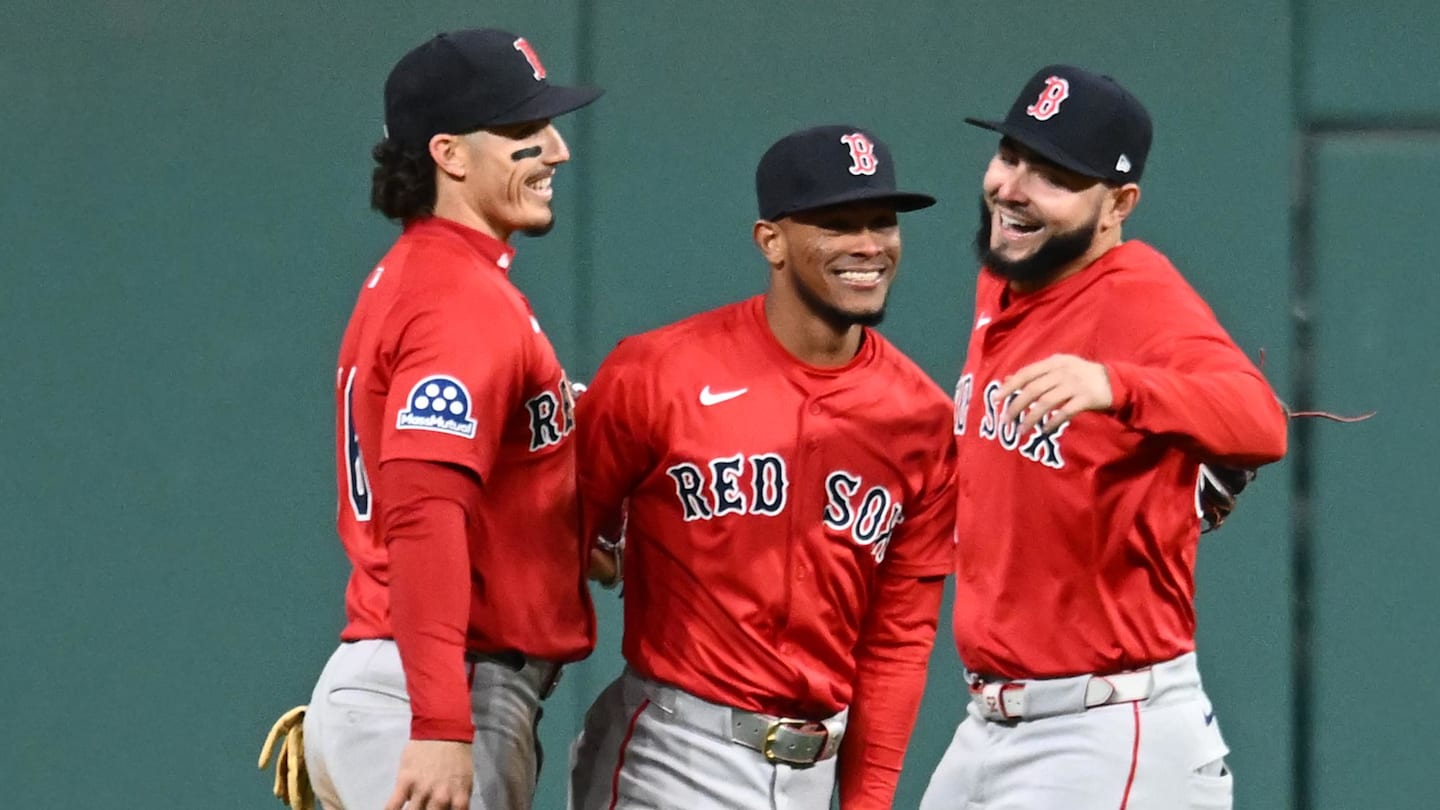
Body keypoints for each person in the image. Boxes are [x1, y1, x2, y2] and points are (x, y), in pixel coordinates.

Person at [919, 65, 1289, 810]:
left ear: (1118, 205)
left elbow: (1261, 421)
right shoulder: (1009, 278)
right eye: (1011, 156)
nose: (1014, 187)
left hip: (1106, 731)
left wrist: (1119, 387)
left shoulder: (1137, 291)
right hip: (990, 723)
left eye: (1053, 176)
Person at [567, 125, 957, 810]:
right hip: (674, 748)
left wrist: (868, 802)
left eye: (882, 223)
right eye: (837, 224)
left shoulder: (921, 417)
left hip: (816, 768)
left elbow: (898, 636)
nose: (868, 245)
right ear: (770, 240)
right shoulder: (658, 372)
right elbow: (552, 546)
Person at [300, 28, 602, 810]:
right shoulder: (457, 300)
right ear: (450, 154)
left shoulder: (430, 276)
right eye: (523, 132)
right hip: (433, 690)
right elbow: (425, 516)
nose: (556, 150)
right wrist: (438, 724)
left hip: (407, 683)